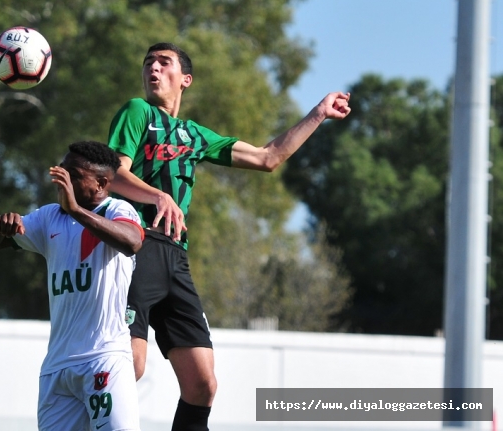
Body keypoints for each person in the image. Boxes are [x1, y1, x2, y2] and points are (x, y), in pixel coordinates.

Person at [106, 42, 352, 431]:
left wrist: (318, 113)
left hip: (175, 257)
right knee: (128, 367)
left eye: (163, 63)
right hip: (137, 247)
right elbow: (113, 174)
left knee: (202, 384)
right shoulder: (137, 112)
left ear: (185, 79)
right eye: (148, 62)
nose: (153, 68)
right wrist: (159, 196)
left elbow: (266, 158)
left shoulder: (193, 134)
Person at [0, 141, 144, 431]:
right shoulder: (48, 217)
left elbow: (132, 241)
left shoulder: (118, 209)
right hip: (58, 368)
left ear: (101, 183)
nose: (62, 179)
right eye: (61, 171)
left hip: (104, 359)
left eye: (73, 175)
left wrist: (77, 209)